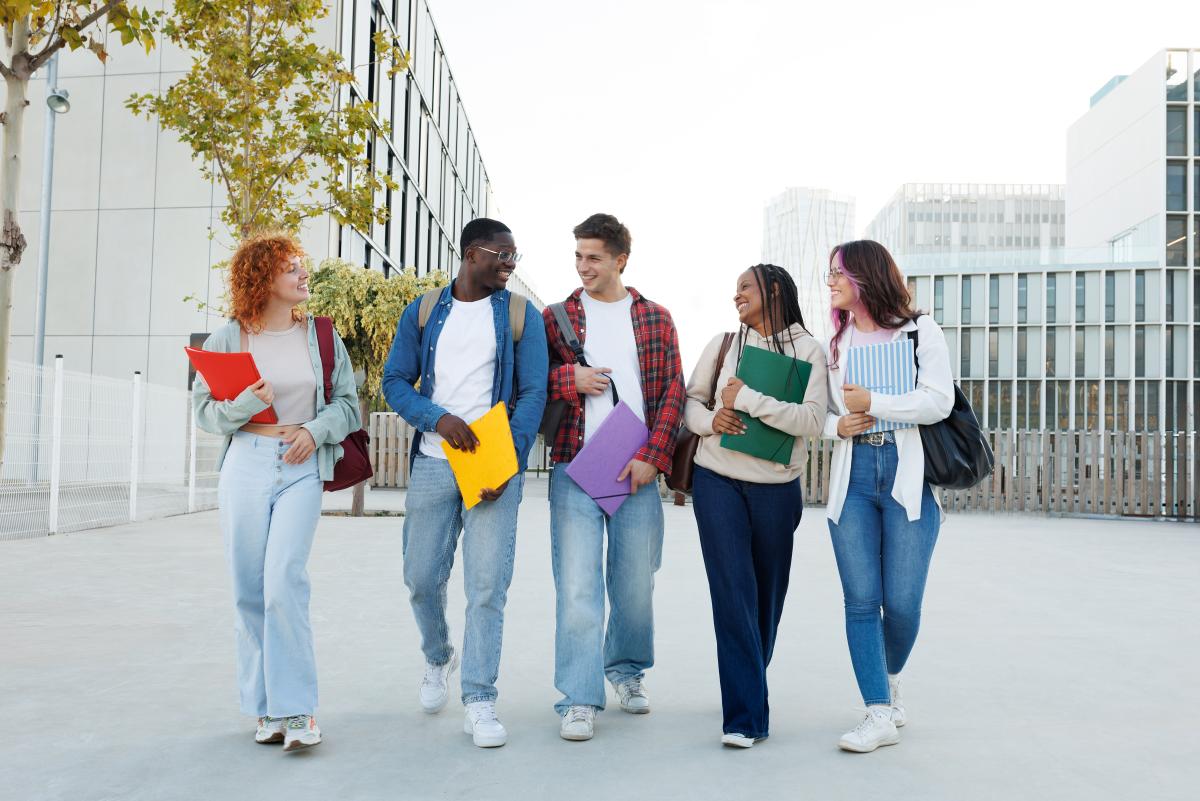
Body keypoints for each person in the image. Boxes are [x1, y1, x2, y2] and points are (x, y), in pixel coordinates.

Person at [192, 231, 362, 752]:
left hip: (301, 464)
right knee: (249, 587)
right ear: (262, 279)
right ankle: (263, 709)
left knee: (284, 581)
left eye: (300, 266)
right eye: (290, 268)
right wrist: (245, 403)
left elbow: (350, 406)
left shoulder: (322, 337)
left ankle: (299, 710)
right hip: (246, 461)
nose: (302, 275)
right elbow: (205, 414)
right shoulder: (227, 338)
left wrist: (315, 431)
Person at [381, 217, 547, 748]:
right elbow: (393, 382)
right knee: (421, 577)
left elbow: (534, 393)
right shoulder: (425, 311)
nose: (511, 265)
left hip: (493, 468)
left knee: (486, 587)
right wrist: (437, 418)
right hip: (434, 461)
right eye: (503, 255)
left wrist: (508, 461)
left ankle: (480, 697)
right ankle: (438, 657)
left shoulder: (522, 316)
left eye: (514, 256)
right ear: (474, 253)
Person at [543, 213, 684, 742]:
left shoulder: (655, 318)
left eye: (594, 257)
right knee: (577, 587)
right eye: (578, 256)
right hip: (575, 467)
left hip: (637, 468)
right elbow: (528, 379)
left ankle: (626, 671)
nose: (584, 266)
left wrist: (654, 455)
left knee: (635, 585)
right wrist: (567, 377)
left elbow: (673, 390)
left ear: (621, 259)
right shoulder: (556, 317)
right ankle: (579, 697)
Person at [683, 264, 829, 748]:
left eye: (744, 287)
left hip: (776, 489)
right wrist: (711, 422)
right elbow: (691, 402)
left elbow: (811, 420)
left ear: (773, 290)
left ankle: (747, 674)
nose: (736, 296)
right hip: (717, 480)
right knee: (732, 593)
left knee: (767, 598)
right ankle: (745, 718)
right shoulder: (725, 343)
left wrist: (748, 399)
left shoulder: (810, 350)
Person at [821, 240, 954, 753]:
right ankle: (876, 710)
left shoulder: (922, 331)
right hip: (852, 478)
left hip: (906, 475)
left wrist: (876, 402)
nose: (830, 282)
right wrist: (840, 425)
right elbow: (823, 413)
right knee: (861, 601)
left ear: (865, 276)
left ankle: (889, 675)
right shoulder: (838, 343)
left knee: (902, 604)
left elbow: (939, 401)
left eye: (838, 273)